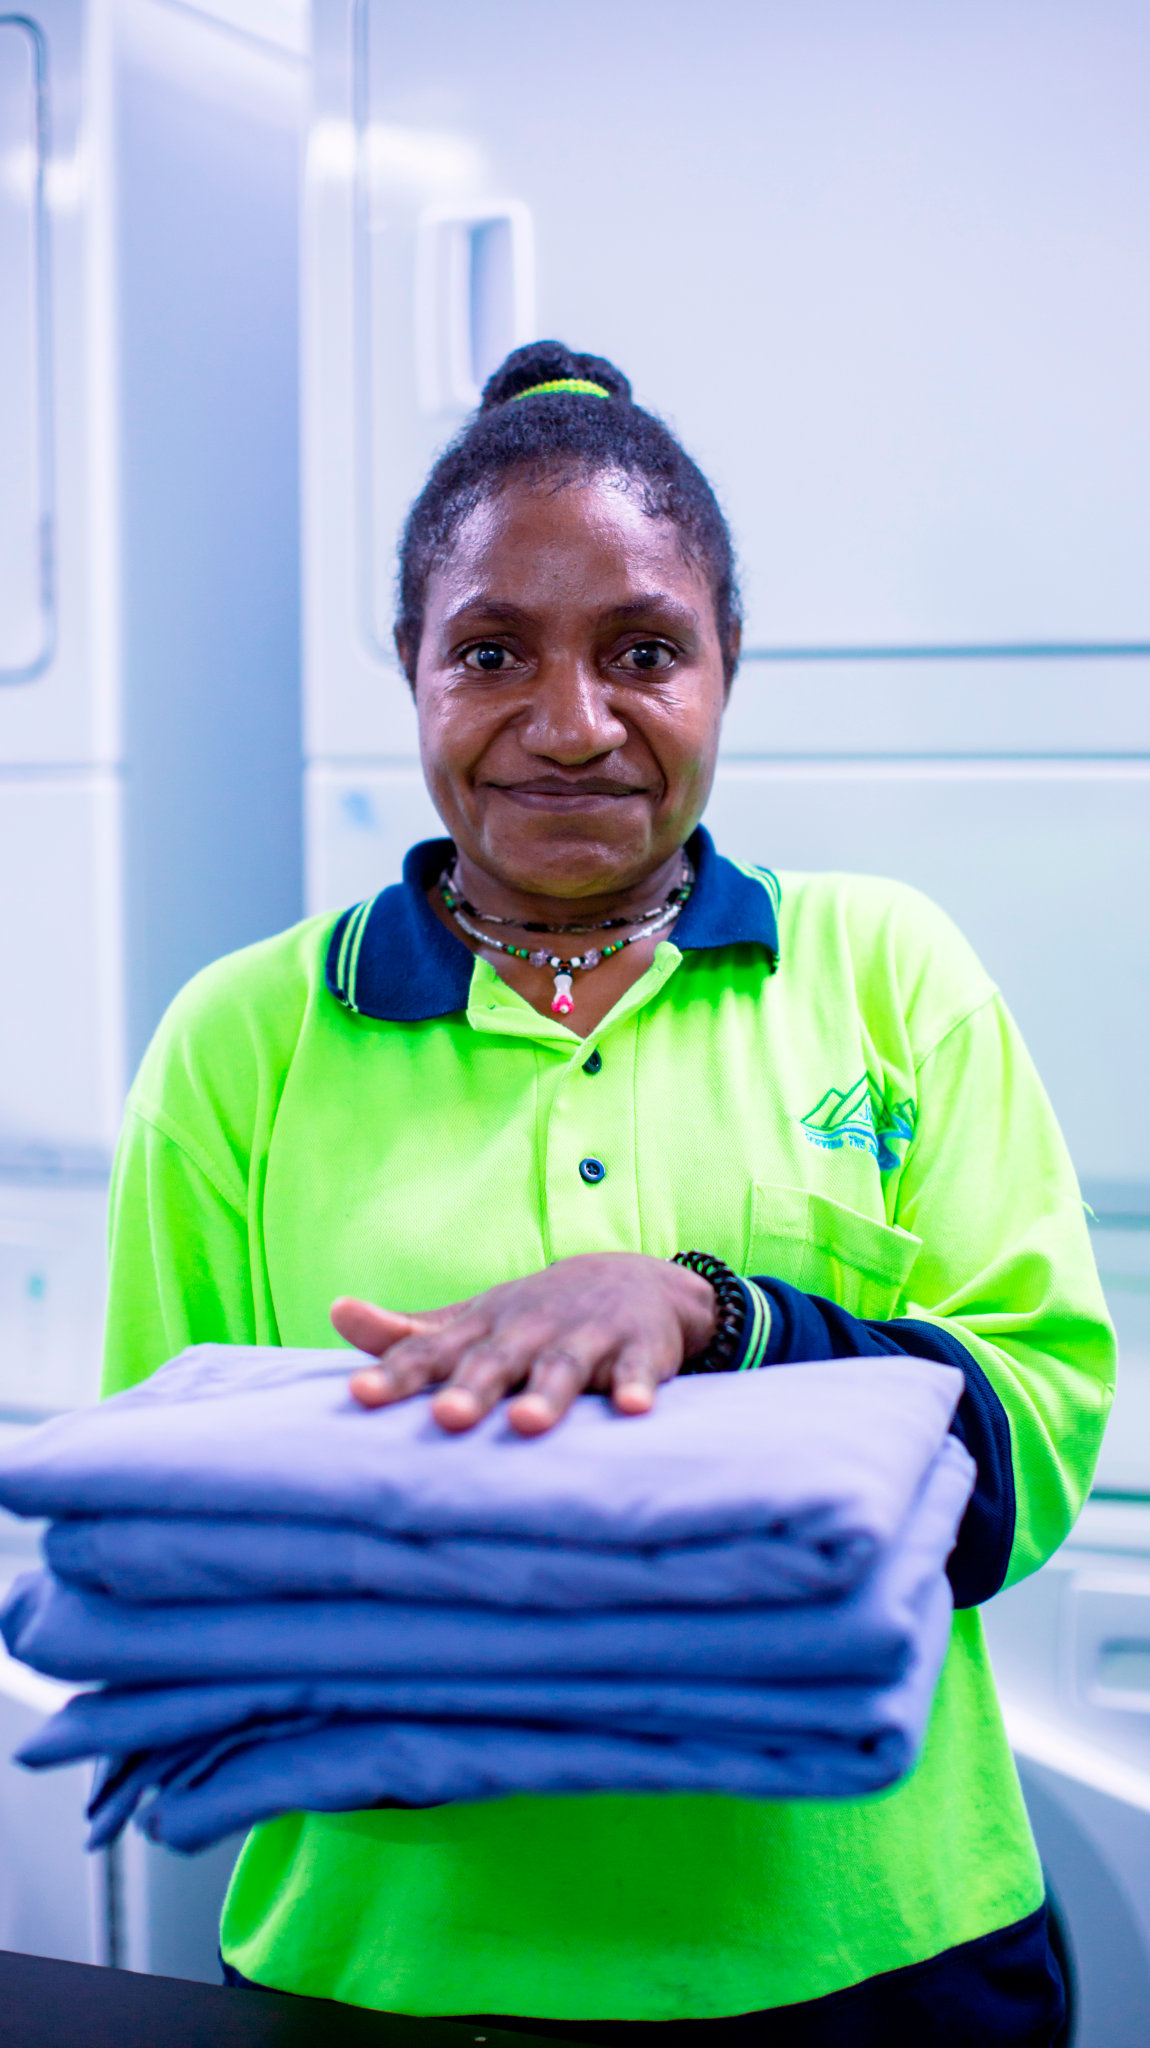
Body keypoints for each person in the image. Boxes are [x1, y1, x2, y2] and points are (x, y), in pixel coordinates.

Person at [103, 341, 1114, 2045]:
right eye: (490, 651)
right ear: (412, 670)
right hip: (390, 1977)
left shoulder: (879, 972)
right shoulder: (247, 1040)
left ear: (728, 668)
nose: (569, 727)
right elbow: (175, 1543)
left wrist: (711, 1315)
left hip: (875, 1960)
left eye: (643, 651)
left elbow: (1035, 1438)